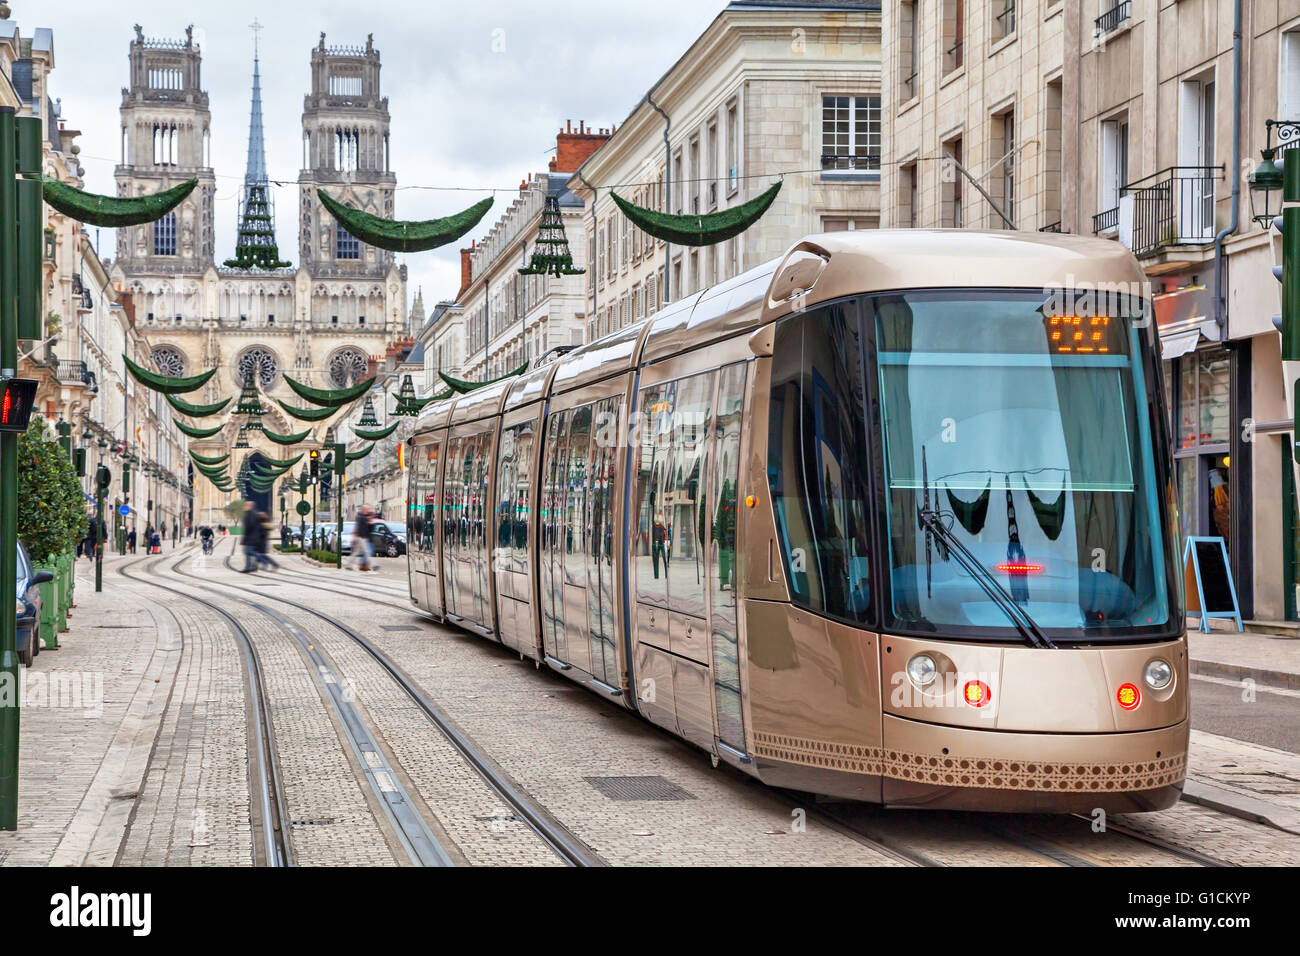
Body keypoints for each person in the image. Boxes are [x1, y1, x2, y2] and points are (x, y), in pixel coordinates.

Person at [352, 505, 375, 571]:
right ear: (364, 510)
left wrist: (370, 523)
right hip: (362, 538)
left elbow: (370, 529)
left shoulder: (365, 518)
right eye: (367, 510)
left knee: (363, 552)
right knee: (367, 552)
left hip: (366, 538)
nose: (368, 511)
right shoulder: (361, 517)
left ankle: (362, 565)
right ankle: (368, 565)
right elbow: (360, 528)